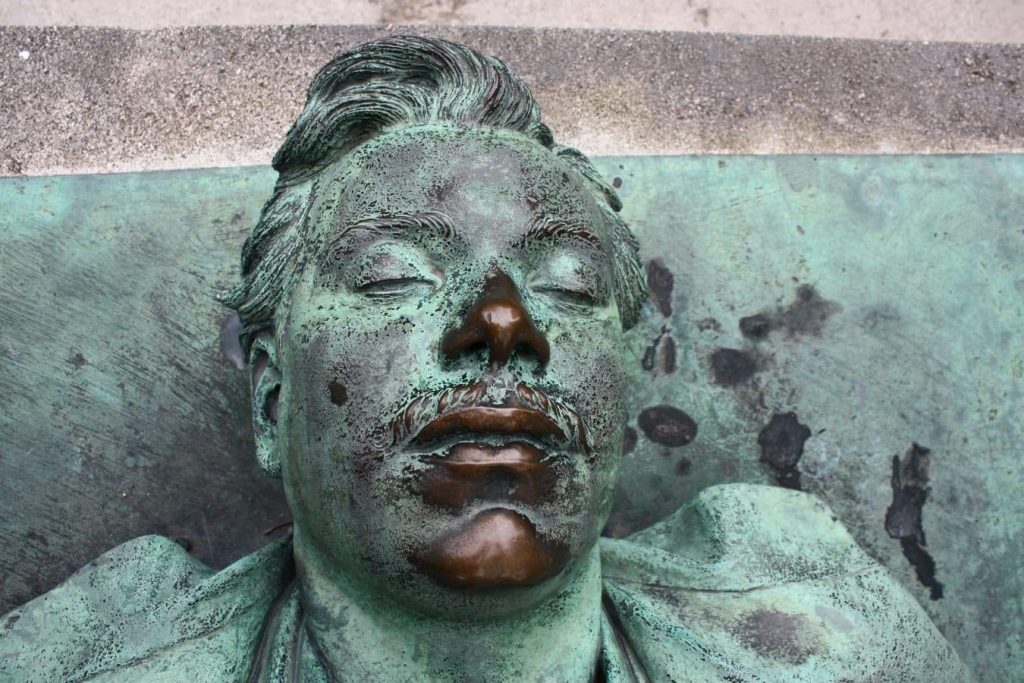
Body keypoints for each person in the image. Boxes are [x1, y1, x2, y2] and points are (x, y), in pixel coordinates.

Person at [0, 36, 969, 682]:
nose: (503, 321)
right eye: (392, 277)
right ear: (268, 399)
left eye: (569, 285)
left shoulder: (836, 648)